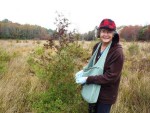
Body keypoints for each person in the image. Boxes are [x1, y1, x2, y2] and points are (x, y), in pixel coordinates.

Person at [75, 19, 124, 113]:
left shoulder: (117, 52)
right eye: (103, 31)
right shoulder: (97, 46)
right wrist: (83, 71)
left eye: (109, 32)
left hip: (106, 95)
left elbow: (111, 77)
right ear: (99, 32)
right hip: (92, 90)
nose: (106, 34)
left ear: (114, 34)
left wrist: (87, 79)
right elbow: (94, 66)